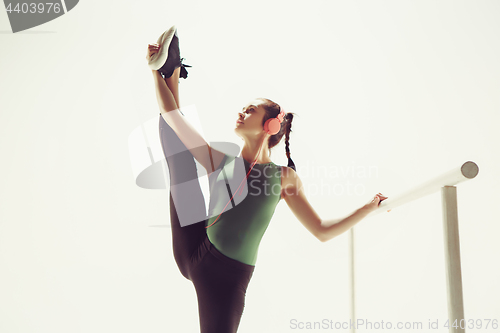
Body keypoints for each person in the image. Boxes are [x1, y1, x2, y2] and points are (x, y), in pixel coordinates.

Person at [146, 25, 389, 333]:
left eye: (249, 111)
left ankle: (171, 70)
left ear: (271, 126)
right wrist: (154, 73)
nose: (241, 113)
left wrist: (367, 208)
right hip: (194, 245)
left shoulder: (284, 179)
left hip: (225, 276)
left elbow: (322, 231)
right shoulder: (222, 161)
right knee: (179, 155)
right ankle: (171, 69)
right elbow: (173, 118)